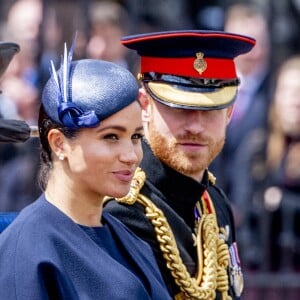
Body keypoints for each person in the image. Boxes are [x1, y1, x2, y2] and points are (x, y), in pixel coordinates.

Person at [0, 41, 171, 300]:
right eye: (111, 137)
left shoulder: (129, 240)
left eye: (136, 137)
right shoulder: (28, 250)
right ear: (59, 143)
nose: (131, 156)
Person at [104, 30, 255, 299]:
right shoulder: (122, 212)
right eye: (180, 109)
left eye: (210, 110)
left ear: (229, 113)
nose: (195, 127)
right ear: (145, 105)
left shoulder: (214, 202)